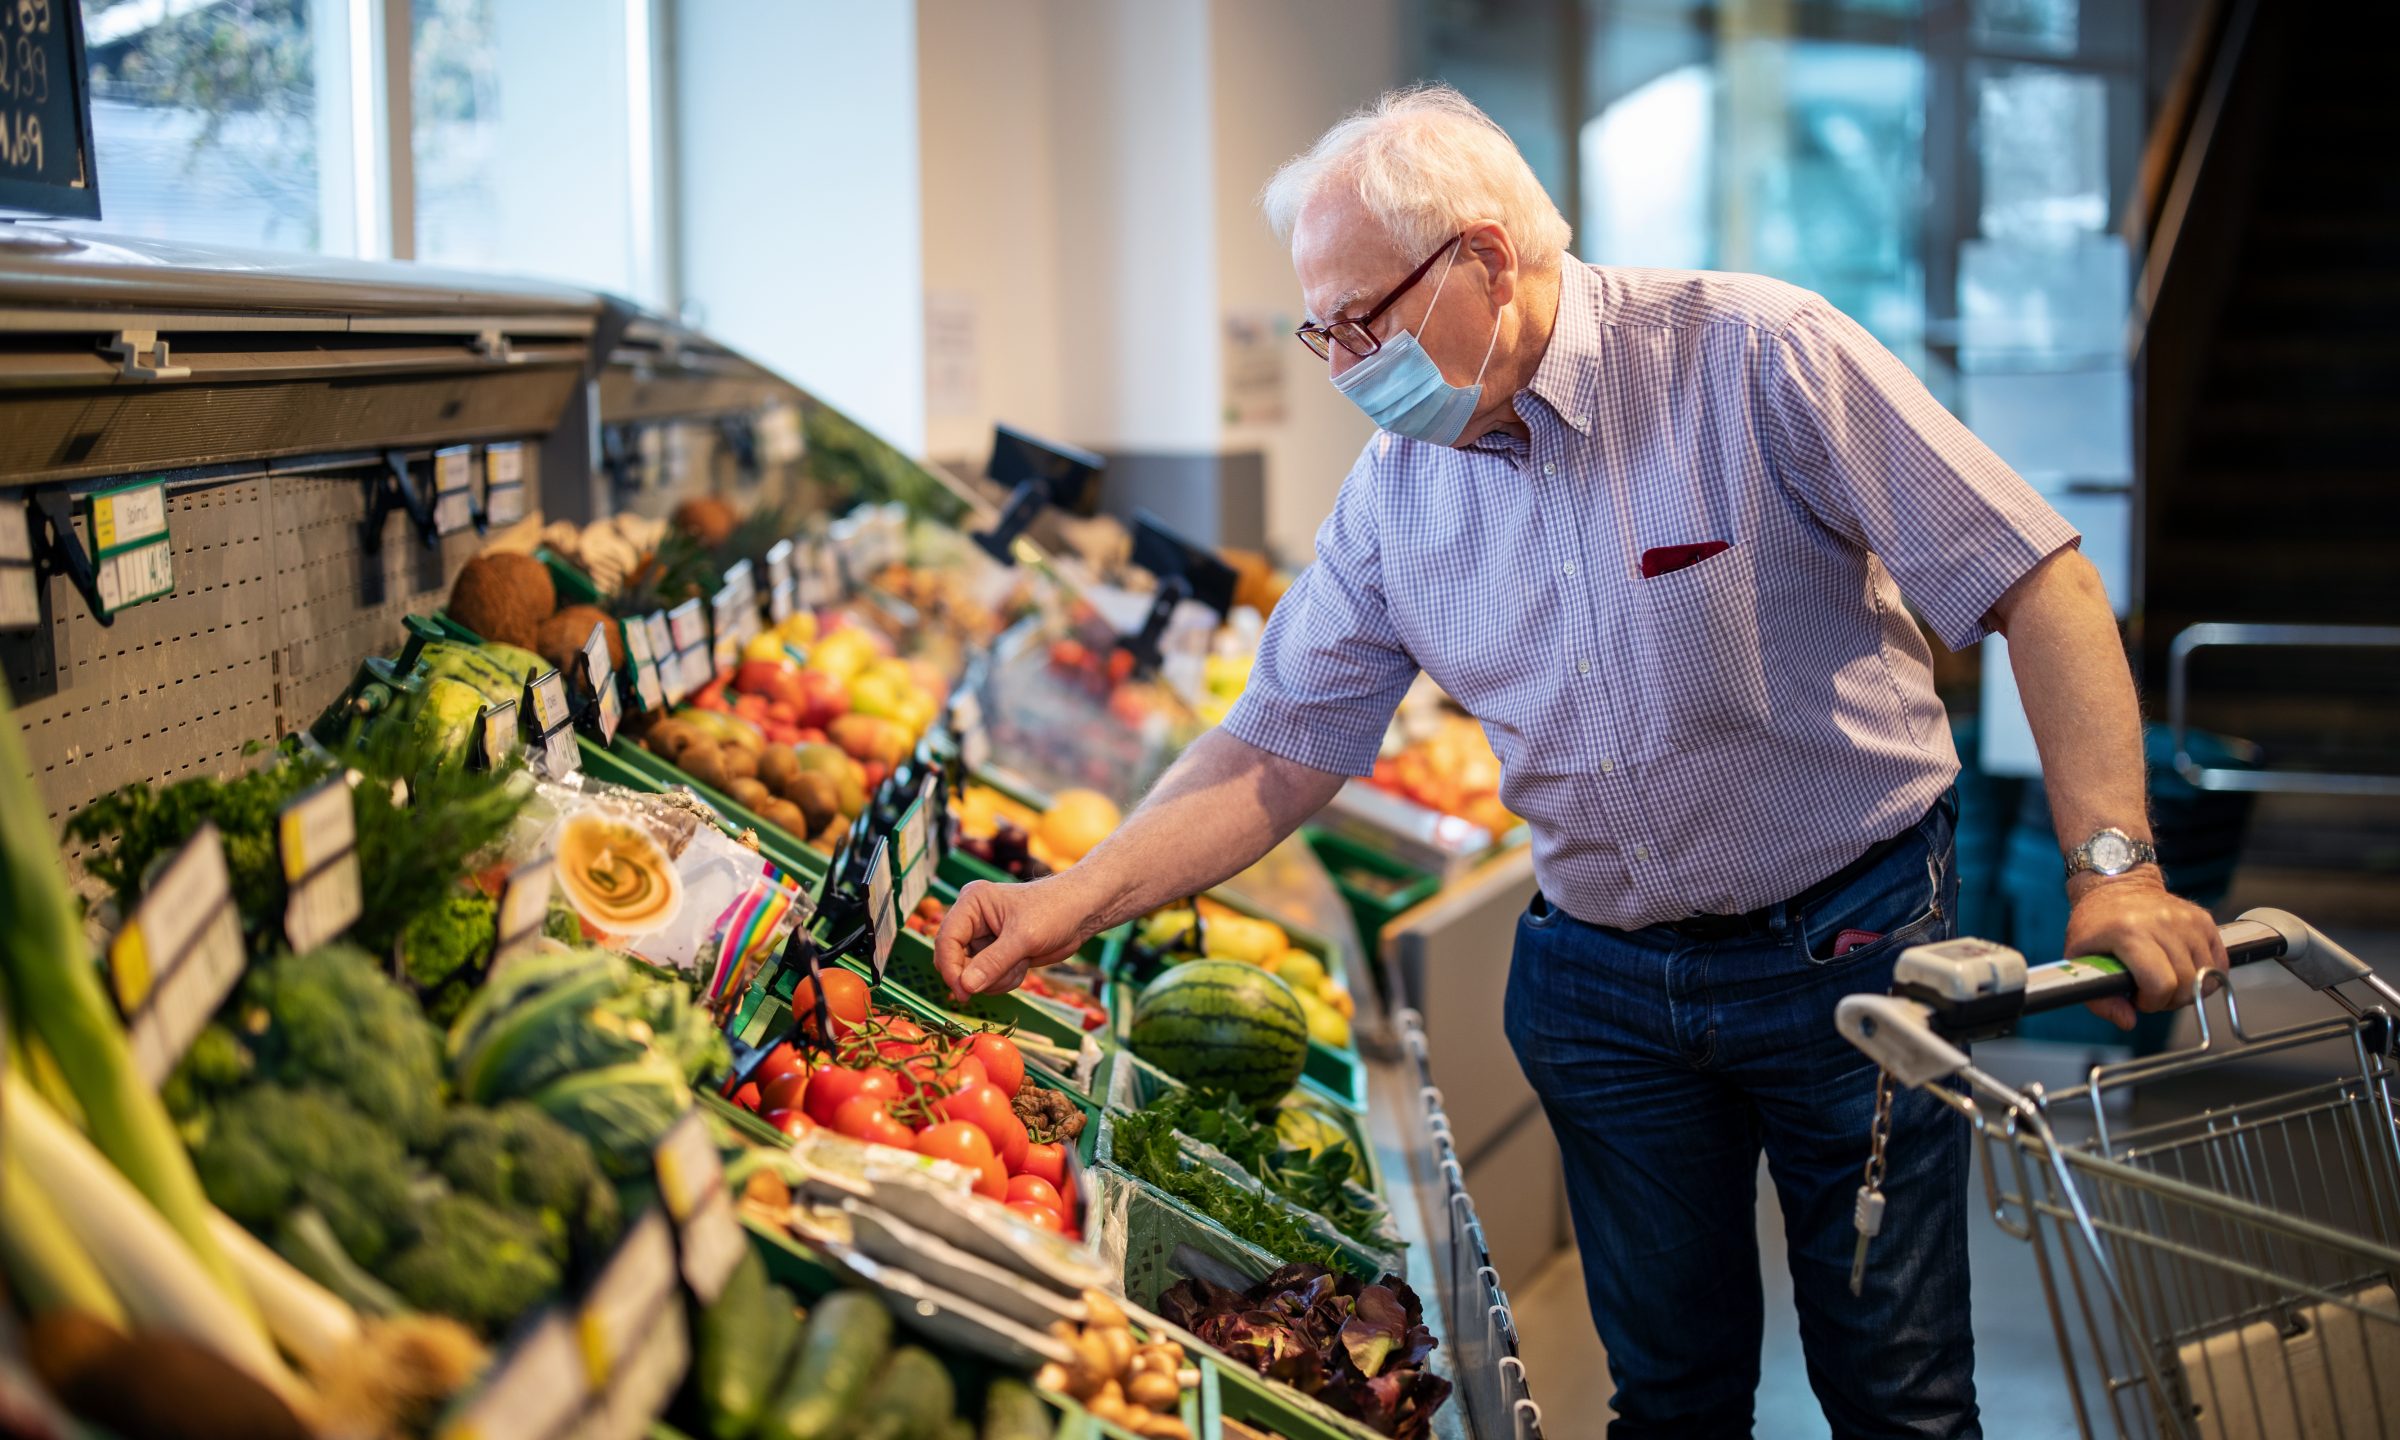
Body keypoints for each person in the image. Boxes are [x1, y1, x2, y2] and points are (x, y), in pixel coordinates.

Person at [932, 84, 2226, 1439]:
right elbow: (1276, 742)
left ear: (1486, 260)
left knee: (1894, 1392)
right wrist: (1064, 901)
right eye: (1322, 330)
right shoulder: (1395, 492)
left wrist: (2116, 873)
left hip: (1848, 949)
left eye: (1362, 320)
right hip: (1605, 986)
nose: (1342, 361)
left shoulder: (1753, 353)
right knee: (1668, 1397)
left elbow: (2036, 578)